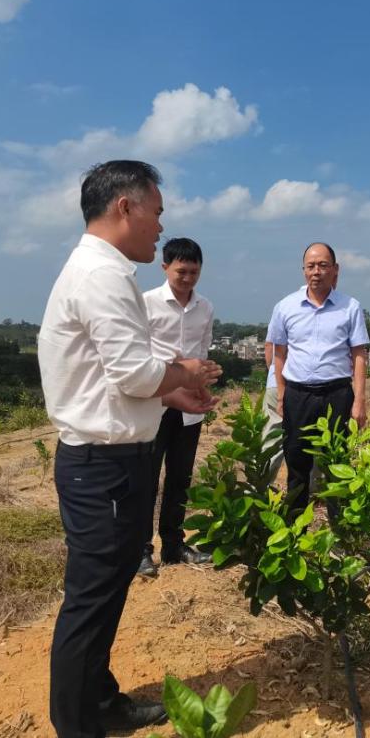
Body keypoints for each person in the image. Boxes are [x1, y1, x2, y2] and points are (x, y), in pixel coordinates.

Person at [38, 160, 221, 738]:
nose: (160, 227)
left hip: (115, 458)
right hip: (103, 465)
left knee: (108, 591)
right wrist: (185, 370)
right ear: (125, 206)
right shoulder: (102, 274)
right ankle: (78, 725)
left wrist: (171, 396)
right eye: (156, 212)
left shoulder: (102, 271)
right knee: (92, 601)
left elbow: (113, 378)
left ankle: (100, 702)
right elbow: (134, 372)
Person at [267, 243, 370, 511]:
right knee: (296, 462)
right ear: (303, 270)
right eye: (311, 266)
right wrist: (282, 394)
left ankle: (340, 527)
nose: (316, 271)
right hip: (298, 394)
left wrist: (359, 401)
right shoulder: (285, 307)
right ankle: (295, 526)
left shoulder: (350, 307)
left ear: (335, 269)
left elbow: (359, 355)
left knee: (338, 463)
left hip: (337, 393)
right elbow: (279, 354)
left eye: (323, 265)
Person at [137, 237, 215, 577]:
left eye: (194, 272)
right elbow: (138, 353)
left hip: (189, 408)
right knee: (147, 478)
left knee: (180, 477)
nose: (187, 278)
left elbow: (203, 352)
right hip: (154, 402)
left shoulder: (205, 308)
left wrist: (202, 385)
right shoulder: (146, 303)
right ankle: (141, 550)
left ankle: (173, 545)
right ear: (165, 267)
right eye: (181, 271)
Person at [260, 340, 285, 484]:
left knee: (271, 440)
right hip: (308, 383)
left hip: (275, 382)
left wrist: (273, 370)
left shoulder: (278, 320)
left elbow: (269, 346)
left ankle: (260, 486)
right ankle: (314, 490)